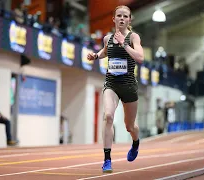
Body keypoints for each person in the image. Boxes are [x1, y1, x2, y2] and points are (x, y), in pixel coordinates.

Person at [87, 5, 144, 173]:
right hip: (111, 83)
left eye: (125, 16)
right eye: (119, 15)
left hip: (129, 86)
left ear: (129, 20)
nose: (121, 18)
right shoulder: (107, 38)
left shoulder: (134, 37)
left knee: (130, 126)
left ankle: (135, 143)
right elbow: (106, 51)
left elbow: (140, 58)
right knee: (108, 116)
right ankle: (107, 159)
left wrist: (124, 44)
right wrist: (96, 56)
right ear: (113, 19)